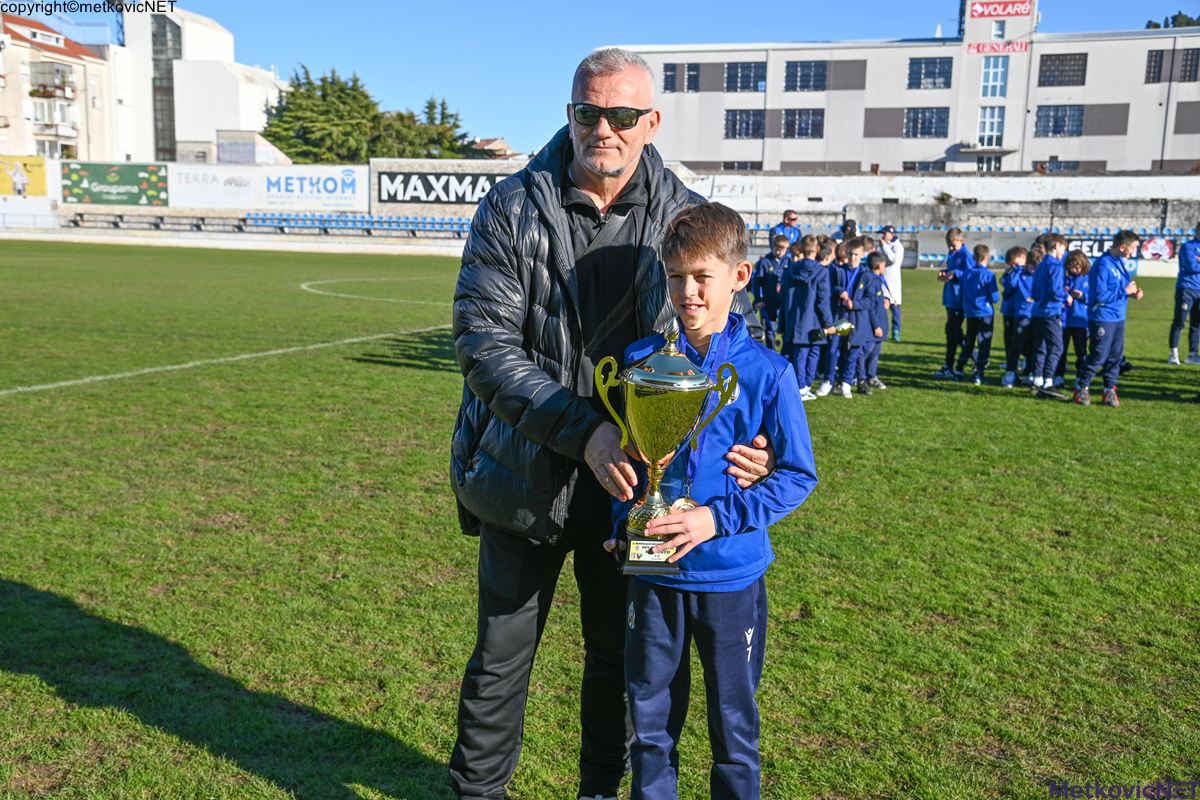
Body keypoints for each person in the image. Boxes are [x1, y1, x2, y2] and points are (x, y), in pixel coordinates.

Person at [448, 48, 773, 800]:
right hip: (522, 471)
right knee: (500, 661)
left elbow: (734, 336)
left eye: (623, 114)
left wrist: (753, 442)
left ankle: (600, 792)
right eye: (589, 112)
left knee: (623, 663)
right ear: (569, 115)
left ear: (651, 122)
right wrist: (585, 432)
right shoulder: (511, 206)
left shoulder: (686, 215)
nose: (605, 128)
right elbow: (483, 344)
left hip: (641, 489)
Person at [606, 202, 819, 800]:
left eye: (702, 277)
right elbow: (634, 462)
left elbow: (797, 476)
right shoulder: (643, 362)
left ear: (739, 276)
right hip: (654, 575)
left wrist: (715, 518)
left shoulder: (769, 373)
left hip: (730, 575)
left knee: (733, 727)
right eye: (676, 277)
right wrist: (625, 522)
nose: (688, 292)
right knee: (649, 723)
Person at [1074, 231, 1143, 407]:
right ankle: (1081, 387)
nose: (1134, 252)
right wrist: (1124, 291)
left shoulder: (1119, 262)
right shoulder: (1103, 264)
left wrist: (1132, 293)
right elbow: (1099, 295)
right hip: (1103, 316)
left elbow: (1120, 289)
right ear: (1123, 247)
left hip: (1118, 316)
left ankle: (1109, 390)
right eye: (1133, 248)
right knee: (1098, 355)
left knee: (1115, 356)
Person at [782, 237, 835, 400]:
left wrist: (783, 320)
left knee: (801, 354)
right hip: (813, 320)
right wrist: (829, 323)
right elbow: (823, 301)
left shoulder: (790, 270)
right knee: (809, 353)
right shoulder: (821, 272)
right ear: (817, 249)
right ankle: (802, 386)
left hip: (793, 318)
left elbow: (783, 296)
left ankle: (803, 386)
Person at [814, 241, 854, 397]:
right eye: (843, 259)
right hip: (836, 313)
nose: (846, 261)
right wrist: (839, 291)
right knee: (833, 348)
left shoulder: (861, 272)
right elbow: (830, 288)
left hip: (852, 314)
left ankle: (846, 381)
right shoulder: (832, 270)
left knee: (849, 348)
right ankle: (828, 380)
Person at [1030, 233, 1068, 399]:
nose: (1064, 252)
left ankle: (1037, 380)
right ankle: (1048, 382)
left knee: (1041, 347)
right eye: (1063, 248)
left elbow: (1034, 291)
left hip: (1038, 311)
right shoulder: (1056, 266)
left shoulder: (1041, 265)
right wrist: (1067, 296)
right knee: (1056, 347)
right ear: (1057, 246)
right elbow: (1055, 290)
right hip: (1051, 312)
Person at [957, 244, 1000, 385]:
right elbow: (995, 297)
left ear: (974, 257)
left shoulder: (966, 274)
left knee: (969, 341)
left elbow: (961, 293)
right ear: (987, 257)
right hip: (985, 313)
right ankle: (979, 373)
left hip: (970, 313)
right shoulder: (989, 275)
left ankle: (959, 369)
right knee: (984, 343)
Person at [935, 228, 971, 379]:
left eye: (953, 245)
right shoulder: (952, 253)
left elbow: (972, 274)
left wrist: (955, 274)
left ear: (961, 240)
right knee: (953, 332)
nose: (950, 247)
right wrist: (945, 272)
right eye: (948, 245)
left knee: (952, 333)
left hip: (959, 300)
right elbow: (952, 270)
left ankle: (949, 366)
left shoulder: (966, 255)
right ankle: (976, 356)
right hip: (951, 298)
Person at [1055, 250, 1091, 387]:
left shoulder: (1089, 278)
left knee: (1081, 352)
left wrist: (1082, 296)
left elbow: (1094, 297)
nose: (1075, 269)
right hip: (1064, 319)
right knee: (1061, 350)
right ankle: (1058, 375)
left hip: (1081, 320)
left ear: (1084, 265)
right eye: (1072, 266)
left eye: (1077, 266)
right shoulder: (1064, 277)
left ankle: (1080, 377)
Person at [856, 251, 889, 394]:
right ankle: (861, 377)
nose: (885, 268)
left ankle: (872, 376)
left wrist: (885, 300)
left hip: (880, 323)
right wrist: (876, 325)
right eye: (884, 265)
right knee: (866, 352)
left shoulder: (877, 279)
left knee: (875, 352)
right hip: (873, 326)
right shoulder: (870, 279)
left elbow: (876, 301)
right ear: (879, 265)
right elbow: (870, 306)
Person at [1167, 224, 1200, 365]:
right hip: (1186, 289)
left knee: (1196, 324)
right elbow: (1192, 266)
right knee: (1179, 322)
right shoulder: (1188, 247)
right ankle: (1173, 354)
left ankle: (1192, 355)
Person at [1000, 246, 1030, 388]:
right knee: (1009, 341)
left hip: (1022, 312)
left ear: (1023, 258)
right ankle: (1011, 368)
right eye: (1011, 264)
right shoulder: (1011, 272)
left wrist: (1017, 272)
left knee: (1023, 342)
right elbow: (1009, 285)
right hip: (1009, 311)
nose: (1013, 266)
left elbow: (1014, 284)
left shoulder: (1026, 273)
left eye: (1015, 263)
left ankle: (1026, 367)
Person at [751, 236, 787, 350]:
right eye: (777, 249)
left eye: (783, 250)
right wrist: (759, 299)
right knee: (770, 329)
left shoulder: (788, 261)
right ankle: (771, 350)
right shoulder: (765, 262)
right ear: (772, 247)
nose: (779, 252)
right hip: (768, 301)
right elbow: (757, 283)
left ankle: (784, 351)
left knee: (785, 328)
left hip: (783, 302)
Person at [877, 225, 904, 341]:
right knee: (882, 309)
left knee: (895, 310)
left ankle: (896, 332)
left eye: (885, 233)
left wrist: (884, 246)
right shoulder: (881, 246)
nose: (883, 235)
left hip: (894, 283)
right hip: (882, 282)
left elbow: (893, 260)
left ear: (891, 234)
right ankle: (882, 331)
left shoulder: (898, 247)